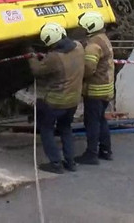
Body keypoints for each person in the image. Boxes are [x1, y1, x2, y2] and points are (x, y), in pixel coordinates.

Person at [28, 22, 85, 174]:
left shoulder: (54, 57)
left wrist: (31, 56)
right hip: (73, 100)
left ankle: (55, 164)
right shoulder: (79, 47)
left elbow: (37, 70)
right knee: (65, 128)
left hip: (56, 102)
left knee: (46, 129)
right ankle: (70, 162)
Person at [75, 12, 114, 165]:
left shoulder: (93, 45)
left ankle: (91, 154)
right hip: (106, 88)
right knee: (101, 120)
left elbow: (89, 68)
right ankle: (106, 150)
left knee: (91, 122)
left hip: (95, 90)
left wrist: (77, 75)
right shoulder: (103, 39)